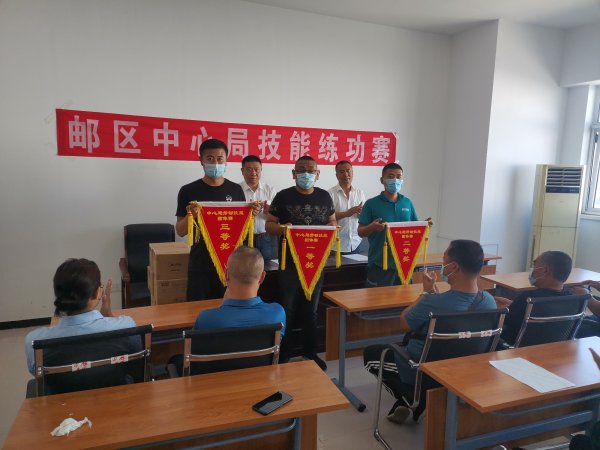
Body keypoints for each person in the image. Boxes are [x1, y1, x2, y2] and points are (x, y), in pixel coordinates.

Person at [363, 240, 497, 424]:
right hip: (465, 370)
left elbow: (405, 322)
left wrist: (426, 293)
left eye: (444, 260)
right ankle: (419, 400)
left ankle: (414, 399)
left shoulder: (433, 302)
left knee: (371, 355)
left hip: (425, 370)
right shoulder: (489, 301)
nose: (442, 264)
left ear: (454, 267)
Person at [265, 155, 336, 371]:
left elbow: (332, 221)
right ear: (294, 173)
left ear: (318, 174)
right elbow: (269, 225)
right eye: (301, 170)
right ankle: (285, 354)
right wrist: (283, 229)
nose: (306, 174)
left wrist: (332, 228)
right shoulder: (283, 196)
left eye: (311, 170)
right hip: (289, 263)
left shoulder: (325, 196)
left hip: (316, 262)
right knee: (287, 308)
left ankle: (310, 353)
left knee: (311, 310)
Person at [175, 139, 259, 301]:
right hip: (200, 264)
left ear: (226, 160)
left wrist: (251, 215)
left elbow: (241, 229)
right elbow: (180, 230)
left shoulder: (235, 190)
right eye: (210, 158)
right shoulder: (188, 190)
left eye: (220, 159)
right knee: (197, 309)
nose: (215, 163)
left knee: (229, 308)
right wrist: (191, 216)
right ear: (201, 160)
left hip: (231, 264)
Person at [24, 258, 136, 375]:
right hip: (117, 386)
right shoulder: (127, 325)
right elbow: (134, 358)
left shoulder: (34, 341)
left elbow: (36, 373)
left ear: (58, 295)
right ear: (98, 292)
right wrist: (109, 316)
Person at [500, 251, 599, 345]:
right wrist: (512, 305)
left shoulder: (528, 298)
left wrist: (500, 310)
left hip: (519, 350)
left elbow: (503, 324)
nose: (532, 270)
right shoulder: (575, 299)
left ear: (545, 271)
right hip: (555, 349)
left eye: (535, 265)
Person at [358, 162, 430, 287]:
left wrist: (425, 225)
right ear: (382, 180)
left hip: (404, 264)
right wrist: (372, 227)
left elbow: (414, 230)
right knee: (378, 299)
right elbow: (360, 232)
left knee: (404, 299)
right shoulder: (371, 204)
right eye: (390, 176)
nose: (395, 180)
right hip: (380, 265)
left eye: (398, 177)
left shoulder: (407, 203)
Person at [193, 246, 286, 333]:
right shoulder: (277, 315)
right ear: (262, 277)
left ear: (226, 274)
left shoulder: (206, 319)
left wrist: (224, 304)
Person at [239, 155, 278, 260]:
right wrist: (247, 212)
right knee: (245, 266)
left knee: (269, 266)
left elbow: (278, 216)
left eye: (257, 169)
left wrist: (270, 211)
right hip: (243, 237)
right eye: (249, 169)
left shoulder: (270, 190)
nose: (253, 173)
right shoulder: (236, 190)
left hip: (267, 237)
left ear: (261, 170)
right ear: (242, 171)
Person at [328, 160, 367, 254]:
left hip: (356, 242)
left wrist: (361, 214)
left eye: (348, 171)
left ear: (352, 173)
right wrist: (347, 213)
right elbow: (327, 217)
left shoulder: (360, 193)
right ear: (337, 175)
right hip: (336, 244)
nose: (346, 174)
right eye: (342, 172)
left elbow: (363, 216)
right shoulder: (330, 193)